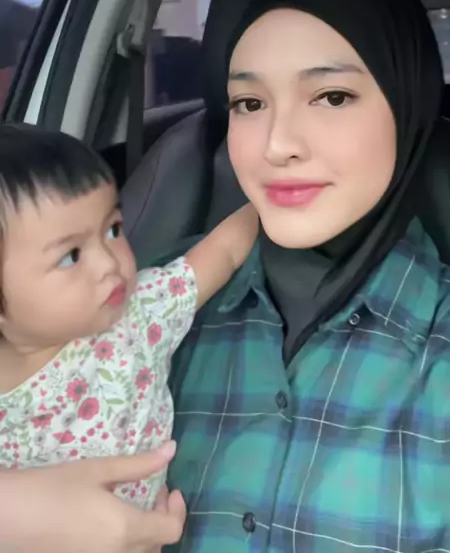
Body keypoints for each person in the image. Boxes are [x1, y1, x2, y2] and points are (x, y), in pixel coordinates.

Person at [164, 0, 450, 552]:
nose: (276, 144)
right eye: (249, 103)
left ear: (407, 105)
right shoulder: (144, 304)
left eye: (331, 97)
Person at [0, 126, 257, 507]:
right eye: (71, 256)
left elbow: (223, 251)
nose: (108, 263)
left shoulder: (141, 313)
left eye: (113, 230)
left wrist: (272, 200)